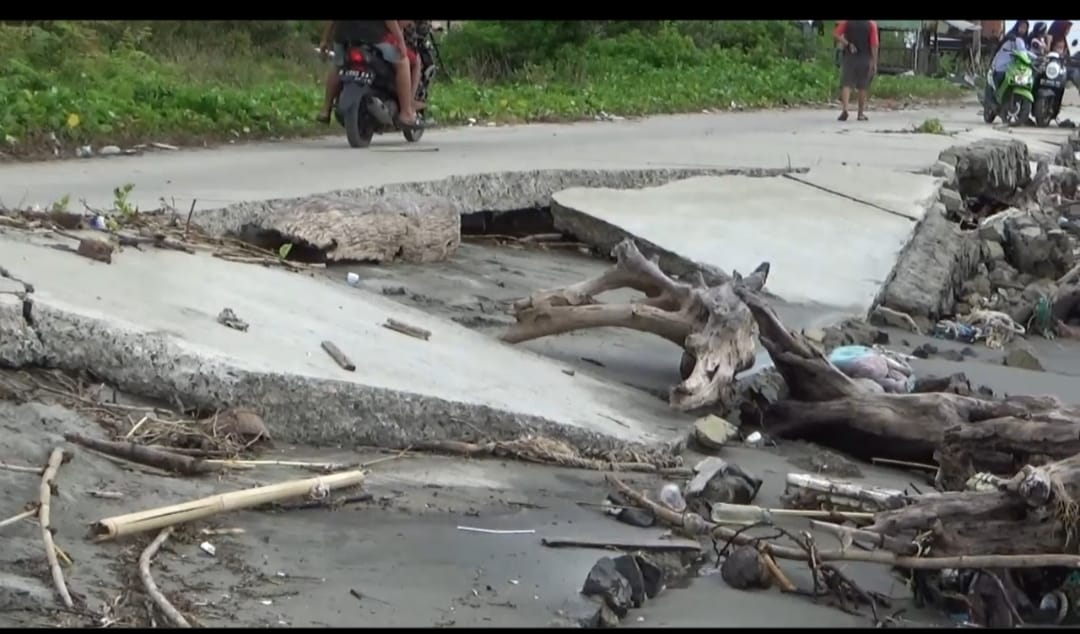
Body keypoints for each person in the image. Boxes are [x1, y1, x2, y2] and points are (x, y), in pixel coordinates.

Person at [317, 20, 422, 129]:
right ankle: (406, 113)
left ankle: (325, 110)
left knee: (337, 65)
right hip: (372, 36)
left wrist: (325, 40)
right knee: (402, 61)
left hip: (343, 36)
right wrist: (400, 41)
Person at [833, 20, 879, 122]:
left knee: (846, 84)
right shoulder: (871, 24)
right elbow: (874, 45)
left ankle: (845, 109)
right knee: (863, 86)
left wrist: (847, 43)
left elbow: (835, 34)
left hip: (850, 57)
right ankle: (860, 114)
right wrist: (874, 62)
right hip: (865, 58)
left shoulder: (847, 22)